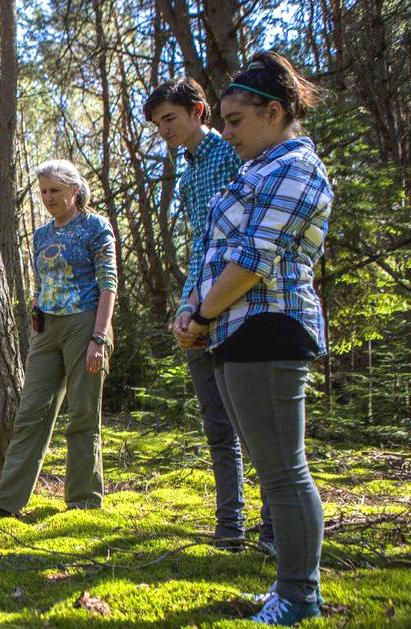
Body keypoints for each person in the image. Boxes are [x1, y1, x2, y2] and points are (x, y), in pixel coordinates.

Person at [174, 51, 330, 626]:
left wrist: (202, 316)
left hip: (271, 326)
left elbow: (252, 260)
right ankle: (288, 587)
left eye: (236, 120)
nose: (228, 131)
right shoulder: (258, 168)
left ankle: (298, 595)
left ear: (274, 111)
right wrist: (196, 308)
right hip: (238, 329)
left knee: (284, 468)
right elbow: (215, 252)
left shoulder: (297, 168)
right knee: (272, 466)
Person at [145, 77, 273, 552]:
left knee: (254, 427)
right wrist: (186, 305)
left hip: (239, 306)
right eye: (158, 124)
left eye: (170, 119)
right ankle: (229, 527)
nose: (164, 131)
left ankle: (275, 526)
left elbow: (242, 240)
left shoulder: (231, 155)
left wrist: (208, 304)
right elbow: (200, 244)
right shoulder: (186, 173)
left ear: (199, 110)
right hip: (199, 304)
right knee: (217, 427)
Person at [0, 160, 117, 517]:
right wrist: (35, 321)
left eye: (54, 191)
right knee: (31, 413)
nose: (47, 198)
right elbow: (42, 283)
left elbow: (109, 284)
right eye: (43, 191)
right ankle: (6, 501)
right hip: (46, 329)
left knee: (82, 414)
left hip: (85, 323)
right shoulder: (43, 234)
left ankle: (83, 502)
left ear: (74, 192)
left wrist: (99, 338)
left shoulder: (96, 226)